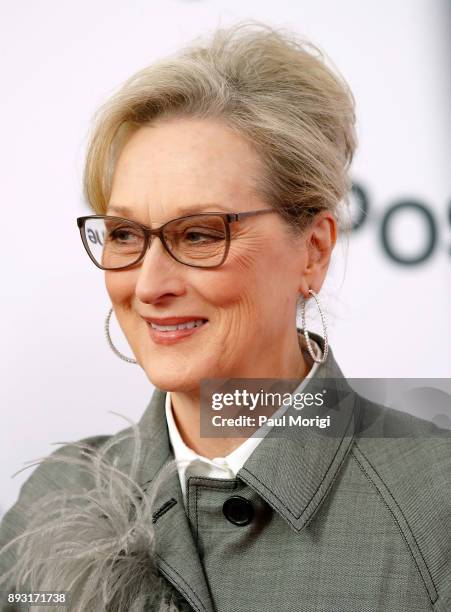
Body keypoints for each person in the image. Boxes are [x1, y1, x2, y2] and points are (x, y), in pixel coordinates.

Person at [0, 20, 450, 612]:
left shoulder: (436, 504)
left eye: (201, 234)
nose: (151, 285)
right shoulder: (54, 498)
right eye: (126, 234)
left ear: (313, 250)